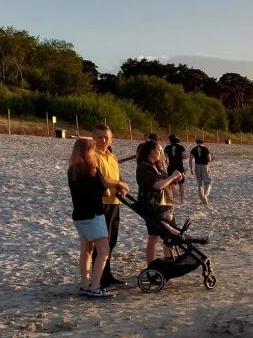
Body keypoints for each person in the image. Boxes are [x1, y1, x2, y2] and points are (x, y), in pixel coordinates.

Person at [67, 137, 127, 298]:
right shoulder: (92, 170)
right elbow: (105, 191)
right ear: (88, 152)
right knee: (104, 251)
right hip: (94, 214)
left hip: (78, 214)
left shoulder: (72, 170)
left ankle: (84, 284)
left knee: (86, 250)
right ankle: (94, 287)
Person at [93, 124, 129, 288]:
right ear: (94, 138)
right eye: (100, 137)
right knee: (102, 243)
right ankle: (98, 278)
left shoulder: (112, 156)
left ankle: (107, 274)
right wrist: (118, 183)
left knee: (112, 240)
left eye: (106, 137)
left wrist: (122, 185)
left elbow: (117, 176)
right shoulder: (93, 155)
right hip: (101, 203)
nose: (103, 140)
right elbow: (100, 180)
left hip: (115, 202)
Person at [136, 140, 184, 263]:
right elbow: (157, 185)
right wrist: (172, 176)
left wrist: (174, 179)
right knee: (158, 237)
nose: (161, 153)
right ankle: (152, 264)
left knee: (161, 237)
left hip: (164, 205)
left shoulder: (155, 166)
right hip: (154, 207)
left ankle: (168, 260)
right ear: (151, 151)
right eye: (159, 150)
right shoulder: (144, 167)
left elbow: (165, 184)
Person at [189, 138, 214, 205]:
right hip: (204, 166)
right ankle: (205, 195)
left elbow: (190, 159)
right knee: (208, 182)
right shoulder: (205, 149)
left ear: (196, 143)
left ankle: (202, 199)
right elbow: (209, 159)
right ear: (203, 143)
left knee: (199, 183)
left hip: (197, 166)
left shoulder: (193, 149)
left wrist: (191, 169)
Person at [164, 135, 187, 203]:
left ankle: (173, 199)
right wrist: (180, 157)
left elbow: (166, 158)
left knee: (172, 184)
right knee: (181, 184)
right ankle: (182, 200)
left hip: (171, 166)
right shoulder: (181, 147)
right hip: (179, 166)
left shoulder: (167, 147)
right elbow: (184, 156)